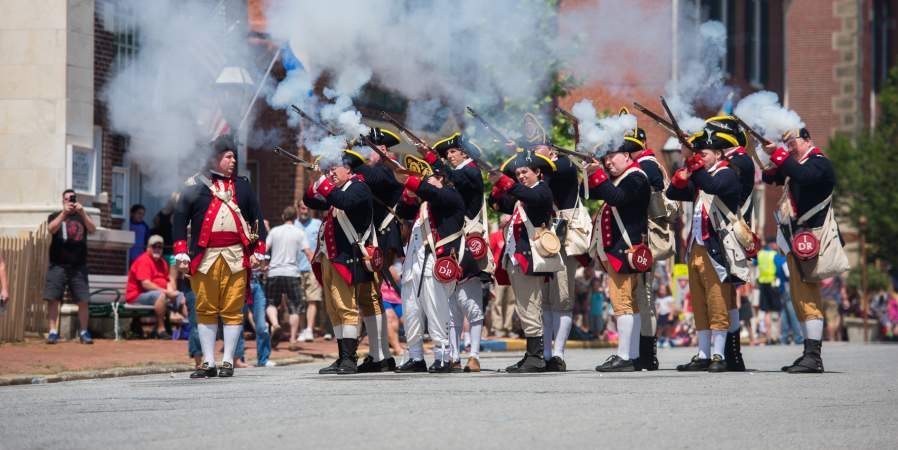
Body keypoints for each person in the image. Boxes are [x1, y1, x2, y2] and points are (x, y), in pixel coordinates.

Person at [173, 135, 267, 379]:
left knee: (233, 309)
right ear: (214, 159)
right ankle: (208, 361)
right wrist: (181, 251)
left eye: (234, 156)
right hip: (205, 257)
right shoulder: (194, 185)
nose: (233, 160)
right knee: (205, 308)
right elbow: (180, 219)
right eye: (228, 156)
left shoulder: (243, 185)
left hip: (236, 256)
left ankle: (227, 361)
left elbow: (256, 218)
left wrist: (258, 250)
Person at [666, 127, 744, 372]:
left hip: (717, 247)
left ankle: (719, 354)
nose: (700, 156)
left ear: (718, 154)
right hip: (696, 246)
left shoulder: (728, 174)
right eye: (698, 152)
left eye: (704, 153)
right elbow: (672, 192)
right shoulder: (703, 175)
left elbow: (711, 186)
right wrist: (682, 175)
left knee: (717, 300)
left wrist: (694, 166)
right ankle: (703, 353)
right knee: (699, 302)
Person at [763, 128, 838, 373]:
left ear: (807, 140)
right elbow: (769, 177)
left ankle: (814, 356)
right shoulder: (796, 164)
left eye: (792, 143)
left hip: (811, 237)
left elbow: (804, 176)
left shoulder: (819, 163)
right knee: (799, 298)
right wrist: (765, 153)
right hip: (797, 239)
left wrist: (780, 156)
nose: (790, 147)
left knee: (808, 297)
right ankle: (808, 352)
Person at [303, 149, 375, 375]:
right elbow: (309, 201)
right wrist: (315, 179)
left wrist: (322, 181)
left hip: (347, 257)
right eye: (329, 168)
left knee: (346, 307)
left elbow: (343, 202)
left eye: (335, 167)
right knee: (333, 308)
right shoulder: (337, 190)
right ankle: (342, 356)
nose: (331, 172)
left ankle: (349, 358)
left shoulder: (359, 187)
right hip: (330, 256)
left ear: (349, 168)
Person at [424, 132, 491, 372]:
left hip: (468, 242)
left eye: (452, 151)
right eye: (447, 153)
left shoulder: (471, 170)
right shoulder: (459, 173)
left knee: (470, 304)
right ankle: (453, 355)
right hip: (452, 241)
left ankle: (474, 356)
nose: (449, 156)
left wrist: (433, 159)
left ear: (465, 152)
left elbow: (452, 176)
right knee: (450, 306)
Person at [488, 149, 558, 373]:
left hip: (529, 258)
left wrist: (506, 182)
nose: (521, 176)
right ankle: (531, 354)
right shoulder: (522, 195)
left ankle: (536, 356)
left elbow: (531, 197)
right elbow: (497, 204)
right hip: (517, 259)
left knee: (529, 306)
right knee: (524, 306)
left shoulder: (542, 190)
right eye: (517, 173)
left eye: (525, 172)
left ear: (538, 172)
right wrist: (498, 184)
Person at [393, 163, 466, 373]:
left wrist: (409, 180)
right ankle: (415, 357)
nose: (425, 182)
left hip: (434, 264)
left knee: (437, 312)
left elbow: (433, 194)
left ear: (441, 178)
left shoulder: (451, 195)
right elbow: (402, 210)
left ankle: (443, 356)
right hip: (413, 265)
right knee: (411, 312)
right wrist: (407, 191)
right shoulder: (424, 203)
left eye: (429, 178)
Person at [586, 138, 651, 372]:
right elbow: (592, 194)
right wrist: (593, 171)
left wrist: (598, 174)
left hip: (626, 248)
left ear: (626, 155)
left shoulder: (636, 177)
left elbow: (617, 198)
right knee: (627, 305)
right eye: (605, 158)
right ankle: (630, 355)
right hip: (619, 249)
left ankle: (625, 356)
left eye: (612, 156)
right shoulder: (621, 178)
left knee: (622, 303)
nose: (608, 161)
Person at [533, 139, 587, 372]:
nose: (533, 154)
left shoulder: (563, 164)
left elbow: (552, 174)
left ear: (551, 151)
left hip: (564, 235)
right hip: (542, 234)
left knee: (562, 297)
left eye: (536, 149)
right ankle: (545, 353)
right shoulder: (536, 170)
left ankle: (558, 354)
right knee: (543, 298)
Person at [352, 128, 403, 372]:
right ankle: (379, 353)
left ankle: (380, 354)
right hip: (373, 240)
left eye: (368, 147)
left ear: (381, 150)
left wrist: (350, 159)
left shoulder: (385, 170)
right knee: (371, 299)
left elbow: (369, 179)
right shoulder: (376, 169)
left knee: (372, 299)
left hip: (382, 239)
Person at [44, 189, 97, 344]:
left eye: (72, 198)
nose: (69, 201)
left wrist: (83, 213)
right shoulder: (55, 216)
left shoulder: (82, 216)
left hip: (78, 265)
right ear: (63, 201)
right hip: (58, 264)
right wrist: (63, 215)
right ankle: (53, 331)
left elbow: (93, 229)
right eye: (66, 199)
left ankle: (84, 331)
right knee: (53, 298)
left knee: (83, 299)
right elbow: (51, 229)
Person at [266, 205, 312, 351]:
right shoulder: (299, 232)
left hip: (274, 272)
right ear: (295, 217)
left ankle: (275, 325)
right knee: (294, 308)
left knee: (272, 303)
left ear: (283, 217)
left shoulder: (274, 231)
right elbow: (308, 252)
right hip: (292, 272)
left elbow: (264, 249)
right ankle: (292, 340)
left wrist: (262, 264)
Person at [126, 235, 184, 338]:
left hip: (158, 294)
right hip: (137, 296)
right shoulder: (144, 260)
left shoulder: (162, 262)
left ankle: (190, 327)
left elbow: (167, 282)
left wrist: (173, 292)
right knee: (160, 295)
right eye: (154, 246)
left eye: (160, 247)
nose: (157, 249)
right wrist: (167, 292)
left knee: (181, 296)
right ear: (148, 248)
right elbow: (146, 284)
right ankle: (160, 329)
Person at [295, 201, 323, 342]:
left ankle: (309, 330)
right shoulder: (293, 225)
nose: (304, 210)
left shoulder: (317, 224)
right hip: (296, 268)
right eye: (302, 208)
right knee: (299, 301)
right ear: (298, 209)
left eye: (307, 208)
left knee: (312, 299)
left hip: (313, 267)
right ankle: (301, 330)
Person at [488, 215, 517, 338]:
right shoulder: (495, 236)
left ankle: (508, 327)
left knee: (511, 301)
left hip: (511, 272)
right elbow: (490, 253)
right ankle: (498, 327)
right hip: (499, 272)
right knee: (498, 300)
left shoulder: (513, 236)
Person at [756, 241, 781, 345]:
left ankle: (768, 336)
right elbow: (779, 269)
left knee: (766, 311)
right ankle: (777, 336)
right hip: (773, 283)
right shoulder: (774, 254)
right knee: (776, 310)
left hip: (762, 284)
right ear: (772, 244)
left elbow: (754, 264)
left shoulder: (760, 254)